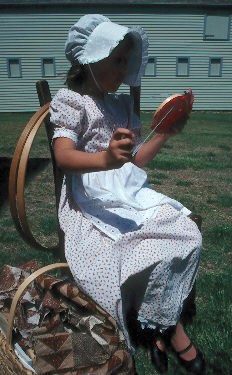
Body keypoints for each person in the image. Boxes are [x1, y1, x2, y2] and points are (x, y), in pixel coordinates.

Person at [49, 14, 206, 374]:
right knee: (124, 248)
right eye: (116, 60)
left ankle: (160, 322)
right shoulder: (72, 101)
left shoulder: (119, 105)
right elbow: (62, 155)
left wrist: (165, 131)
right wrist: (104, 158)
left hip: (127, 190)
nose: (123, 69)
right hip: (91, 196)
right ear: (90, 59)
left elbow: (136, 160)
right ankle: (168, 329)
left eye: (125, 61)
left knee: (185, 234)